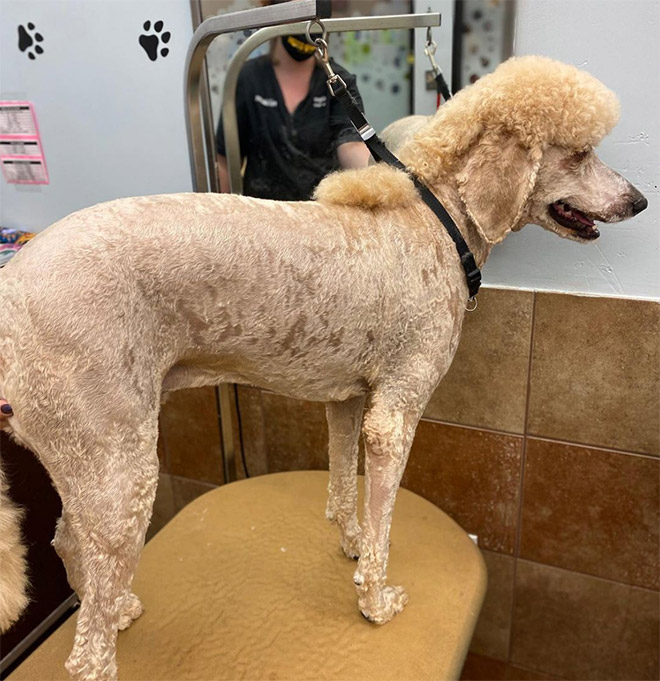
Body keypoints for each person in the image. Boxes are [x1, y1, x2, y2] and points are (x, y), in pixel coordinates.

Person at [216, 22, 371, 200]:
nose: (305, 26)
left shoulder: (338, 82)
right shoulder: (249, 78)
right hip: (263, 211)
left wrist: (377, 177)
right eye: (299, 15)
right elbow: (225, 160)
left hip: (321, 211)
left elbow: (351, 143)